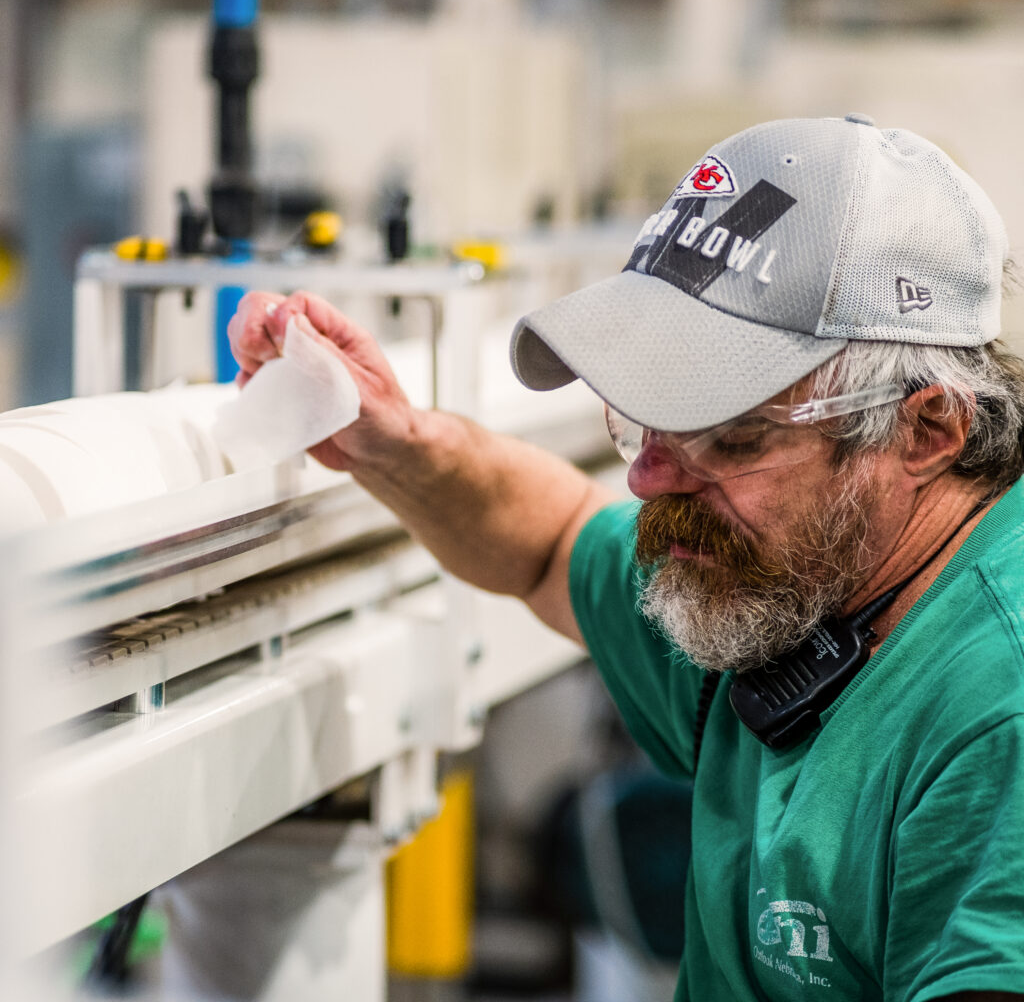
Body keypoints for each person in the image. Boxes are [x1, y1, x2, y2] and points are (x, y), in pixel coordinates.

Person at [228, 114, 1024, 1001]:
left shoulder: (997, 717)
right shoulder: (793, 583)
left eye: (728, 434)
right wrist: (391, 440)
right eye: (643, 420)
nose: (647, 479)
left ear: (926, 429)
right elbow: (551, 540)